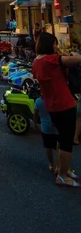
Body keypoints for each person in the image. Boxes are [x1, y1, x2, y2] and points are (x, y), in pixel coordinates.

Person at [32, 32, 81, 188]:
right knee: (66, 141)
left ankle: (63, 169)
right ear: (48, 44)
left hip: (52, 105)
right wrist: (76, 54)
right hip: (64, 104)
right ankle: (61, 175)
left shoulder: (36, 61)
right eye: (54, 44)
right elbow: (74, 59)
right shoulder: (50, 60)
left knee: (62, 138)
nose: (56, 46)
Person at [34, 95, 59, 174]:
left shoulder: (38, 101)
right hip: (57, 128)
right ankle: (59, 166)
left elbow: (35, 113)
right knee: (59, 147)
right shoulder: (56, 100)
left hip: (45, 128)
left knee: (48, 148)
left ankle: (52, 165)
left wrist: (35, 124)